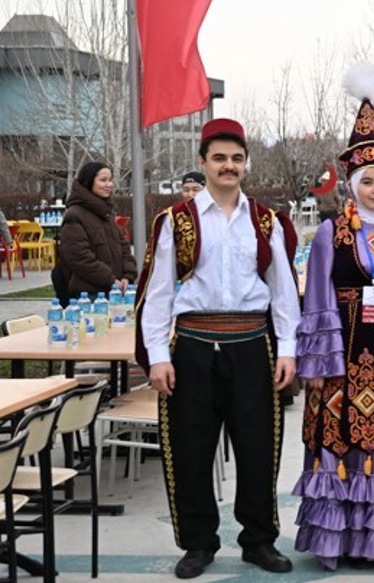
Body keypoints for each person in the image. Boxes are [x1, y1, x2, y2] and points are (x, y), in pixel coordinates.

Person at [136, 118, 300, 579]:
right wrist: (158, 356)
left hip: (252, 346)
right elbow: (159, 294)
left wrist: (287, 349)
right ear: (203, 162)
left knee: (258, 448)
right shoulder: (177, 222)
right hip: (191, 349)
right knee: (190, 449)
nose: (229, 166)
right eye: (219, 158)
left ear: (245, 163)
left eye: (236, 158)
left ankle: (259, 540)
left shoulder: (265, 220)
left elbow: (283, 291)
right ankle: (198, 542)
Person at [292, 91, 374, 570]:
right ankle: (338, 540)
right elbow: (317, 298)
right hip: (341, 353)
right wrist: (319, 365)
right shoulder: (330, 232)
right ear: (352, 185)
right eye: (368, 181)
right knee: (338, 434)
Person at [59, 161, 137, 302]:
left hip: (117, 292)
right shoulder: (75, 215)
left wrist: (128, 276)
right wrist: (109, 280)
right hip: (90, 297)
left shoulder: (106, 213)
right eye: (103, 180)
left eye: (110, 180)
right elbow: (79, 257)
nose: (109, 185)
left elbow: (124, 247)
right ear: (89, 182)